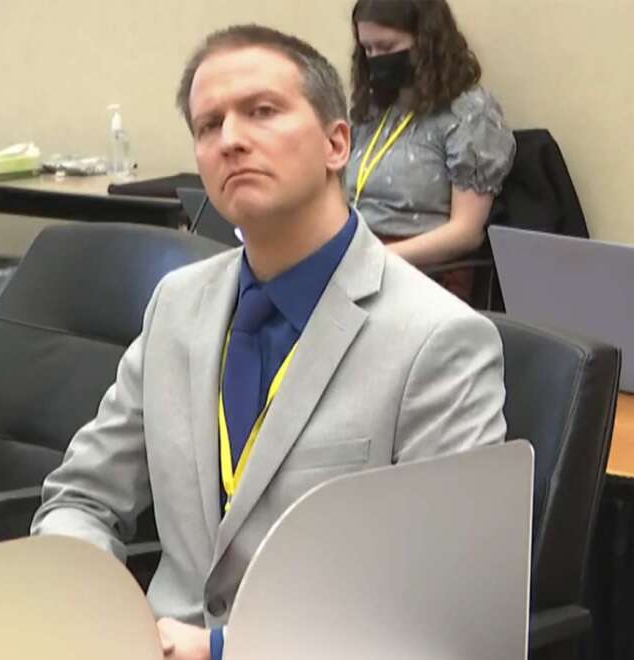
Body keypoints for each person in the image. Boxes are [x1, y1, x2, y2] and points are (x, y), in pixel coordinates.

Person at [32, 24, 507, 660]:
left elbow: (444, 607)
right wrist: (104, 617)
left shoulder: (438, 340)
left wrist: (223, 649)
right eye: (208, 125)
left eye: (262, 111)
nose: (231, 139)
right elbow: (81, 497)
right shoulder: (176, 306)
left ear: (338, 143)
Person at [344, 0, 516, 298]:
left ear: (426, 44)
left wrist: (377, 259)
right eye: (368, 50)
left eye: (386, 47)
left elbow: (466, 233)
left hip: (423, 272)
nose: (376, 60)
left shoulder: (469, 113)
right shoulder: (376, 111)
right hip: (358, 258)